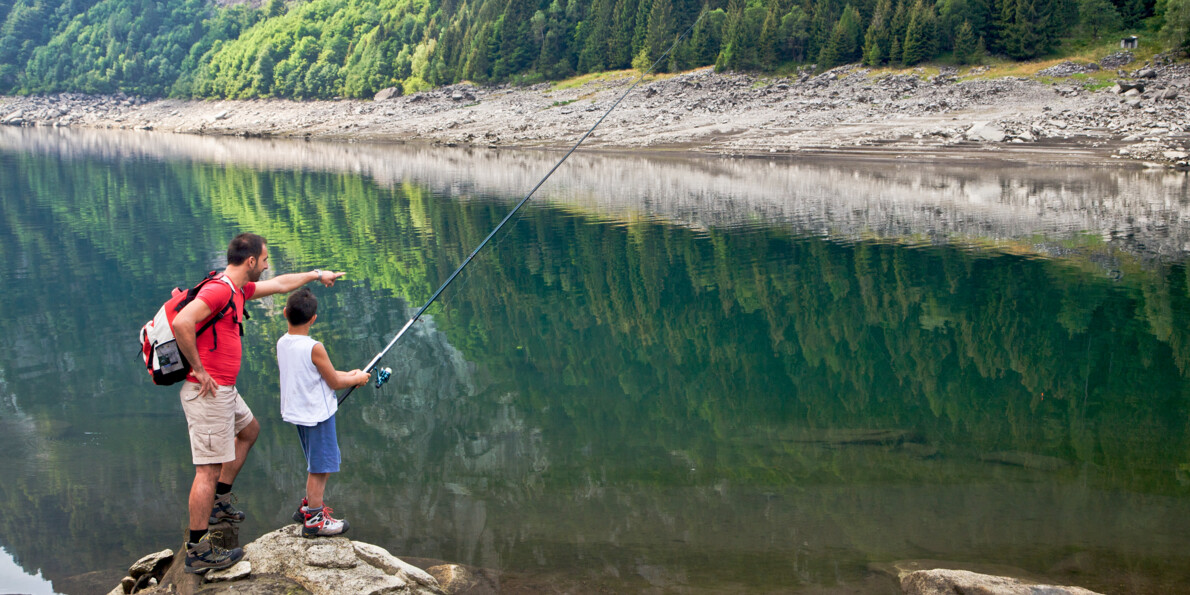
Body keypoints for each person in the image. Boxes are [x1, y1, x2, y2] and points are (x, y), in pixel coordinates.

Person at [172, 233, 345, 573]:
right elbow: (182, 322)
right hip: (208, 392)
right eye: (264, 260)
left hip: (225, 390)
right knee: (206, 470)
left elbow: (281, 285)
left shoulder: (239, 290)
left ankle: (220, 501)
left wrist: (316, 274)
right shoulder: (220, 289)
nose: (267, 266)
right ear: (250, 261)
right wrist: (199, 369)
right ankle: (197, 549)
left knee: (249, 430)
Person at [277, 288, 369, 538]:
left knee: (318, 461)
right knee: (320, 467)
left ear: (285, 313)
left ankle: (307, 506)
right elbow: (333, 382)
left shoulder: (283, 342)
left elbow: (319, 374)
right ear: (313, 319)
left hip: (299, 413)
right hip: (317, 415)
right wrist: (356, 379)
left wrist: (351, 375)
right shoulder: (314, 347)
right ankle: (315, 519)